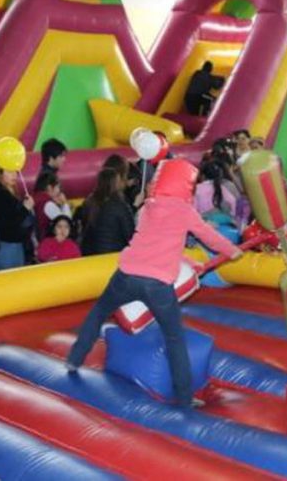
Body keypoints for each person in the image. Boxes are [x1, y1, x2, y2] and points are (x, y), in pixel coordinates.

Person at [67, 159, 241, 407]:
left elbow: (156, 242)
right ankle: (183, 397)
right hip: (157, 284)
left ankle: (74, 358)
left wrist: (188, 263)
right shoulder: (184, 211)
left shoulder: (149, 207)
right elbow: (209, 237)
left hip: (126, 274)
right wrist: (232, 250)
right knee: (174, 339)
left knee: (98, 313)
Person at [0, 168, 35, 270]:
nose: (14, 175)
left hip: (7, 244)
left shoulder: (1, 189)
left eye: (15, 172)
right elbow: (8, 222)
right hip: (6, 245)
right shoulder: (0, 194)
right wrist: (25, 209)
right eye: (9, 171)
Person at [79, 168, 136, 255]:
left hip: (90, 254)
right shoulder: (119, 205)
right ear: (116, 184)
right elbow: (130, 235)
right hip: (113, 255)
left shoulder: (89, 202)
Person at [194, 160, 242, 228]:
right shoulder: (224, 187)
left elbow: (193, 213)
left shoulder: (197, 189)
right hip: (229, 229)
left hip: (207, 228)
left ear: (203, 176)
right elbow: (235, 206)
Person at [33, 172, 73, 240]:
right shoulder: (48, 204)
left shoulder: (36, 197)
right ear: (49, 187)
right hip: (49, 241)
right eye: (58, 187)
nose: (59, 190)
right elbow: (66, 222)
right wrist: (65, 203)